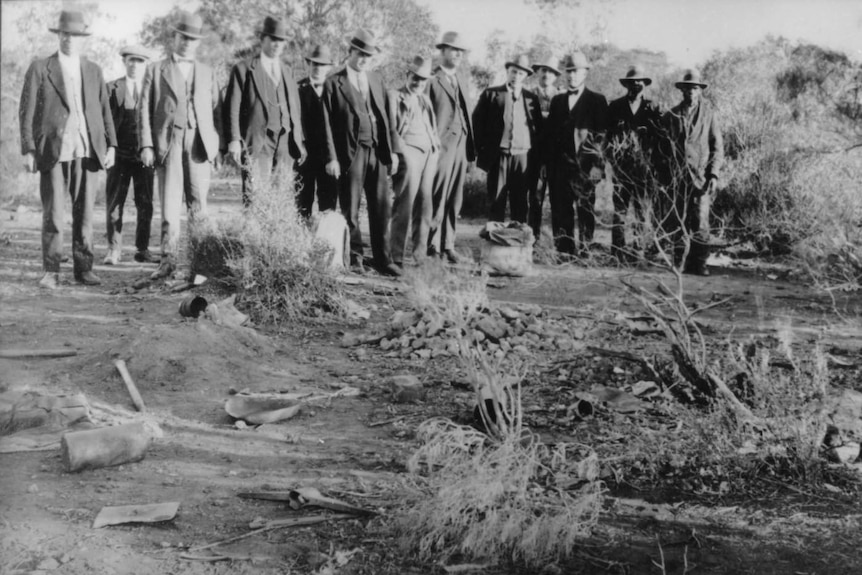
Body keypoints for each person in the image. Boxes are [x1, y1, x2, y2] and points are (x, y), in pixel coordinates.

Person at [19, 10, 117, 289]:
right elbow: (26, 112)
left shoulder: (93, 70)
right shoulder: (40, 67)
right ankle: (51, 270)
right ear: (58, 35)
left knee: (84, 211)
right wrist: (28, 148)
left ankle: (84, 269)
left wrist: (110, 145)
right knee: (54, 212)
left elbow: (104, 111)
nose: (69, 39)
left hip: (86, 151)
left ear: (81, 38)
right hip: (53, 150)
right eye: (65, 34)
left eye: (74, 35)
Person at [139, 10, 224, 280]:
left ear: (198, 42)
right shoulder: (155, 69)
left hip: (199, 143)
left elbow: (216, 110)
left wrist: (217, 146)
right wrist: (146, 145)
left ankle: (200, 263)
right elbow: (142, 110)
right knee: (169, 203)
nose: (187, 42)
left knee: (199, 205)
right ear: (174, 38)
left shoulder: (207, 71)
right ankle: (168, 260)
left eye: (192, 39)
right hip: (168, 142)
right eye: (182, 37)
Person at [321, 29, 401, 277]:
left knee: (381, 207)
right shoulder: (334, 83)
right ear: (350, 52)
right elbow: (325, 124)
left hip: (376, 150)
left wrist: (394, 151)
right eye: (360, 53)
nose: (364, 59)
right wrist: (332, 157)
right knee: (351, 208)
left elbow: (388, 117)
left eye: (369, 55)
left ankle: (383, 259)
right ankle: (355, 258)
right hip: (350, 153)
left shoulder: (376, 80)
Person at [225, 16, 305, 207]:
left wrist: (299, 141)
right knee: (256, 197)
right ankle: (255, 237)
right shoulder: (243, 69)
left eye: (281, 41)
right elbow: (232, 106)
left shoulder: (288, 71)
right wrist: (234, 140)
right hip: (258, 141)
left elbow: (295, 109)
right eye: (273, 39)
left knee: (282, 197)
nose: (277, 45)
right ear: (263, 40)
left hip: (285, 142)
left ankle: (276, 237)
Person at [659, 69, 724, 276]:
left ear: (700, 90)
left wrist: (713, 174)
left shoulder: (709, 115)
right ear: (682, 90)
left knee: (700, 221)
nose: (691, 93)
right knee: (678, 220)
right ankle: (680, 261)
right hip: (677, 179)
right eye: (687, 89)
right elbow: (662, 149)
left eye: (694, 89)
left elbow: (717, 147)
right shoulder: (671, 115)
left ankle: (700, 263)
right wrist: (665, 176)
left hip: (701, 178)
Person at [544, 51, 608, 255]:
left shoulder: (596, 100)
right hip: (560, 166)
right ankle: (564, 251)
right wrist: (548, 166)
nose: (571, 75)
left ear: (584, 73)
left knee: (585, 209)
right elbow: (550, 137)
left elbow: (602, 136)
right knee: (561, 209)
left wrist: (598, 166)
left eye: (576, 71)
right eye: (569, 71)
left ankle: (586, 250)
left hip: (586, 167)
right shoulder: (557, 101)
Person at [472, 54, 542, 224]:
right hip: (499, 156)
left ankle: (517, 246)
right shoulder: (491, 94)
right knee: (496, 201)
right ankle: (495, 245)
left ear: (525, 76)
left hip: (523, 157)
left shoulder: (531, 98)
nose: (516, 76)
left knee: (520, 203)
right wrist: (482, 153)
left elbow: (538, 129)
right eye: (513, 72)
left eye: (520, 73)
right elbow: (477, 124)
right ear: (507, 72)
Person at [426, 31, 476, 263]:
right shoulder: (432, 80)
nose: (457, 54)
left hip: (461, 144)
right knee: (438, 195)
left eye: (460, 51)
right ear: (442, 51)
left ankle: (448, 245)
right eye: (453, 50)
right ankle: (432, 245)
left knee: (455, 198)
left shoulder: (462, 79)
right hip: (441, 145)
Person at [103, 45, 156, 266]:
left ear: (145, 64)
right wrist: (110, 148)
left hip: (144, 154)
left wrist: (151, 149)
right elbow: (105, 123)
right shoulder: (111, 88)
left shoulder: (153, 90)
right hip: (119, 154)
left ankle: (142, 249)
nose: (135, 65)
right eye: (131, 60)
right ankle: (113, 250)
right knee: (115, 202)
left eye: (140, 61)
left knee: (145, 203)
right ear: (124, 62)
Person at [387, 55, 440, 267]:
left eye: (423, 79)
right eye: (415, 78)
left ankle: (420, 255)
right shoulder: (394, 96)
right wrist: (399, 152)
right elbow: (391, 128)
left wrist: (436, 148)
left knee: (426, 205)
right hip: (409, 152)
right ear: (407, 75)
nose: (418, 83)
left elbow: (432, 127)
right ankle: (396, 256)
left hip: (429, 154)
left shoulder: (424, 99)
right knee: (404, 204)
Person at [607, 65, 662, 262]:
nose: (636, 85)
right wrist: (613, 161)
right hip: (621, 169)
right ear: (627, 85)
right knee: (620, 211)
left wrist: (653, 166)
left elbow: (659, 140)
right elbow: (608, 138)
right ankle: (617, 252)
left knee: (642, 211)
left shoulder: (652, 107)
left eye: (639, 82)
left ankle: (639, 250)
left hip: (644, 170)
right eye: (632, 82)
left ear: (644, 85)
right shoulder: (615, 107)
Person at [296, 44, 339, 219]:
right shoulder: (298, 89)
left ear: (329, 67)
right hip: (305, 154)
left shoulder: (335, 89)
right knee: (302, 201)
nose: (317, 68)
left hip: (328, 155)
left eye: (322, 65)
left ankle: (325, 241)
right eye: (314, 64)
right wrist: (300, 145)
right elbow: (295, 121)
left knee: (328, 202)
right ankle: (302, 241)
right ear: (308, 64)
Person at [528, 55, 560, 241]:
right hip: (534, 156)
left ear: (555, 76)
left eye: (550, 72)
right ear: (537, 73)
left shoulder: (561, 97)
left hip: (556, 157)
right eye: (543, 70)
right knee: (535, 199)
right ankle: (532, 240)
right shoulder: (529, 95)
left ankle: (560, 244)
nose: (546, 74)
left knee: (557, 201)